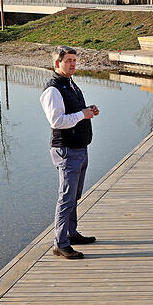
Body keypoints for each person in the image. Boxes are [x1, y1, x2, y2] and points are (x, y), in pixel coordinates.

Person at [39, 46, 99, 260]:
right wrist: (82, 114)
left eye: (74, 60)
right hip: (66, 149)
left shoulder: (70, 84)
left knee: (75, 194)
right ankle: (60, 243)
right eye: (68, 60)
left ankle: (71, 233)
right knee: (66, 197)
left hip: (79, 147)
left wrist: (87, 111)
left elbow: (72, 113)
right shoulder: (53, 89)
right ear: (57, 64)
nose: (73, 63)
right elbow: (57, 121)